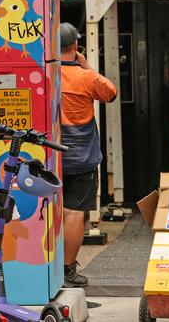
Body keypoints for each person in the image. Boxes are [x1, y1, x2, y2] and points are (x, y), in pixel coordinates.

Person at [59, 22, 117, 287]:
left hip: (49, 156)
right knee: (73, 214)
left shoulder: (44, 75)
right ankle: (68, 271)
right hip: (81, 158)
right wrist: (86, 66)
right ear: (76, 46)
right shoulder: (86, 77)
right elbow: (110, 92)